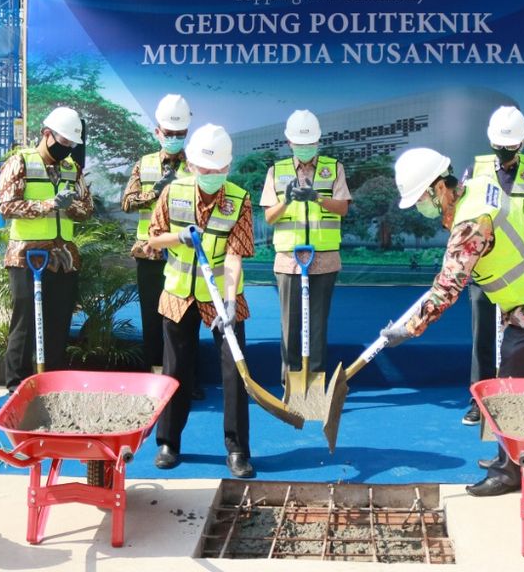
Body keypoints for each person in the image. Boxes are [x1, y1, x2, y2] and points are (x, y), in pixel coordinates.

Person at [384, 148, 524, 497]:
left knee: (511, 390)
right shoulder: (478, 187)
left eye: (422, 198)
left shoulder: (472, 222)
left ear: (440, 187)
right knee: (517, 387)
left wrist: (410, 327)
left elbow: (448, 286)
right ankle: (516, 459)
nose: (422, 207)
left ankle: (511, 472)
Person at [146, 124, 257, 479]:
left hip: (222, 298)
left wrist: (228, 301)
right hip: (179, 294)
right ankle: (169, 443)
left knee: (235, 373)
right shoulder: (173, 192)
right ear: (192, 165)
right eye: (205, 171)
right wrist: (178, 236)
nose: (212, 177)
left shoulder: (239, 198)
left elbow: (237, 255)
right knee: (175, 370)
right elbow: (154, 239)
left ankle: (238, 449)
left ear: (228, 167)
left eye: (219, 171)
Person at [462, 106, 524, 426]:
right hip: (486, 274)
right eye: (499, 147)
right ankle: (479, 400)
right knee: (483, 337)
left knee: (522, 340)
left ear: (522, 143)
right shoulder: (475, 171)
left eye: (510, 147)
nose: (504, 153)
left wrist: (520, 242)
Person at [0, 106, 93, 391]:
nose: (68, 149)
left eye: (72, 145)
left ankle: (53, 379)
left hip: (64, 259)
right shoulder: (20, 162)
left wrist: (71, 205)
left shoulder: (72, 169)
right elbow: (7, 206)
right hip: (27, 256)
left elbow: (87, 208)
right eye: (63, 143)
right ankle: (17, 383)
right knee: (25, 321)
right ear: (46, 134)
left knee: (59, 321)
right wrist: (49, 205)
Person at [260, 110, 352, 387]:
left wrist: (317, 197)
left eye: (310, 143)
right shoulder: (276, 171)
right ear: (289, 142)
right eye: (300, 144)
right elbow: (269, 216)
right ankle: (291, 383)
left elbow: (343, 208)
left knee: (317, 324)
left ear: (319, 141)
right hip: (289, 259)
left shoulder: (334, 167)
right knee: (290, 324)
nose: (305, 148)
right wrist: (286, 200)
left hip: (324, 258)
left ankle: (314, 382)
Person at [121, 94, 198, 390]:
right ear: (157, 132)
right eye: (169, 133)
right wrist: (155, 192)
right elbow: (126, 202)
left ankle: (186, 379)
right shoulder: (145, 164)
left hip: (183, 257)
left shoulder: (194, 167)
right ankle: (155, 378)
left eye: (180, 134)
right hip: (150, 253)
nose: (174, 139)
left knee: (185, 319)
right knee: (153, 320)